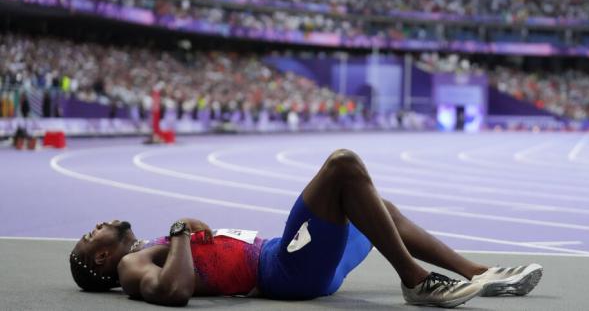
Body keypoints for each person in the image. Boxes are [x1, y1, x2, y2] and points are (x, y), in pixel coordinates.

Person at [69, 149, 542, 308]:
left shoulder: (144, 248)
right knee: (343, 167)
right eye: (92, 235)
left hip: (293, 260)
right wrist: (178, 232)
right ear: (101, 260)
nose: (97, 226)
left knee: (380, 207)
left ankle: (480, 273)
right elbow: (173, 293)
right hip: (284, 270)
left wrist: (177, 238)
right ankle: (416, 281)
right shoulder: (133, 264)